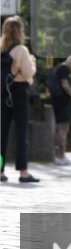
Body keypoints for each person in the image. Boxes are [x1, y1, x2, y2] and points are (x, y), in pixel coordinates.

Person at [1, 16, 39, 182]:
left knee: (1, 134)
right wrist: (32, 61)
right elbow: (29, 73)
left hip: (3, 92)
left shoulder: (1, 47)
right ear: (20, 31)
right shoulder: (21, 50)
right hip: (19, 92)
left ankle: (0, 172)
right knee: (21, 132)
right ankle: (23, 172)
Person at [50, 54, 71, 166]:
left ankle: (57, 155)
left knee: (59, 128)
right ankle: (61, 156)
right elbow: (65, 84)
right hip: (62, 102)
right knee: (63, 128)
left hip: (57, 102)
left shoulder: (59, 67)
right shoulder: (64, 69)